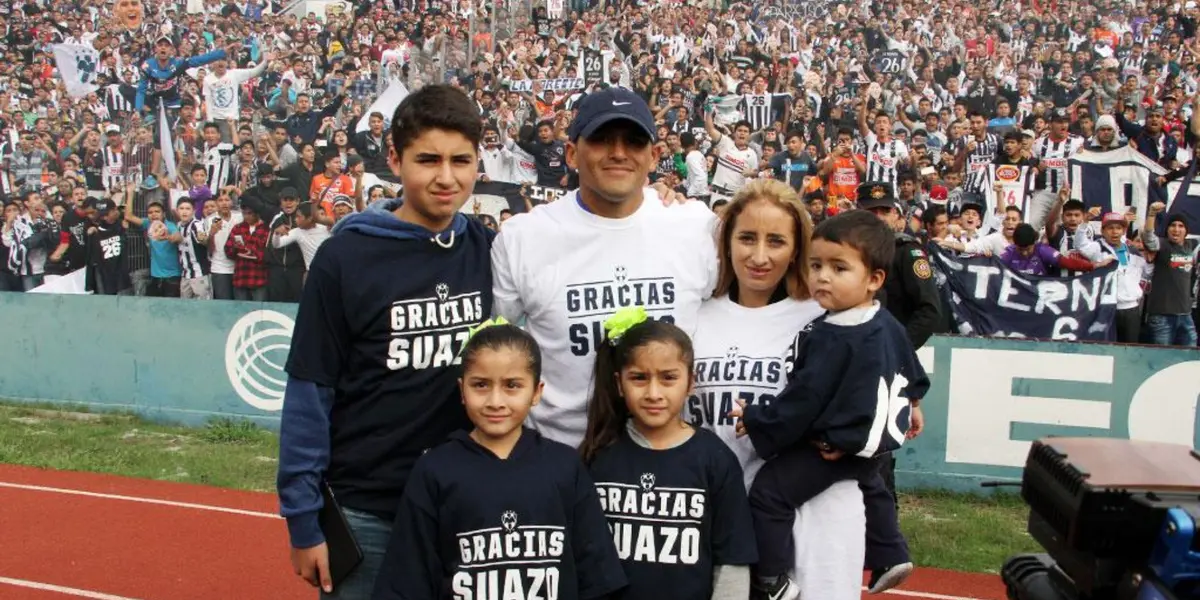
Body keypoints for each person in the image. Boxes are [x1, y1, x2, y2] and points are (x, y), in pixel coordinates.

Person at [277, 84, 494, 600]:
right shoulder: (345, 257)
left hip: (462, 506)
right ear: (394, 159)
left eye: (461, 160)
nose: (447, 177)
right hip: (366, 511)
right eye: (428, 160)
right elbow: (310, 391)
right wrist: (303, 521)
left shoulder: (487, 249)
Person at [491, 87, 718, 449]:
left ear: (654, 155)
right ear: (571, 153)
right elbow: (496, 351)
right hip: (561, 462)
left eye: (633, 141)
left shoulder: (695, 226)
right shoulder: (522, 237)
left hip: (668, 469)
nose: (618, 153)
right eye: (601, 140)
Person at [731, 211, 930, 600]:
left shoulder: (830, 334)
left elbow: (803, 400)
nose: (822, 276)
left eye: (839, 268)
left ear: (874, 279)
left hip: (834, 447)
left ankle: (771, 578)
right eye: (816, 265)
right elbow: (910, 365)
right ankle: (891, 553)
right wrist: (914, 402)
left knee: (769, 492)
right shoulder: (885, 321)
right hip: (872, 446)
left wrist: (757, 419)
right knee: (874, 485)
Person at [687, 179, 868, 598]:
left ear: (798, 249)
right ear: (727, 240)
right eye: (747, 238)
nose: (760, 256)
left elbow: (877, 390)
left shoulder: (826, 316)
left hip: (815, 515)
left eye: (777, 241)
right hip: (717, 517)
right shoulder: (695, 315)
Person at [372, 320, 628, 600]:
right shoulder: (435, 470)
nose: (496, 400)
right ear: (462, 389)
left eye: (512, 386)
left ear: (537, 392)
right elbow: (407, 581)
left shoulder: (565, 467)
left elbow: (598, 578)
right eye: (481, 385)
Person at [581, 308, 758, 600]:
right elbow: (582, 558)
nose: (653, 393)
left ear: (690, 382)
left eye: (668, 378)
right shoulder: (598, 457)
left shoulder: (715, 459)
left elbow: (732, 562)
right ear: (619, 384)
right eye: (639, 378)